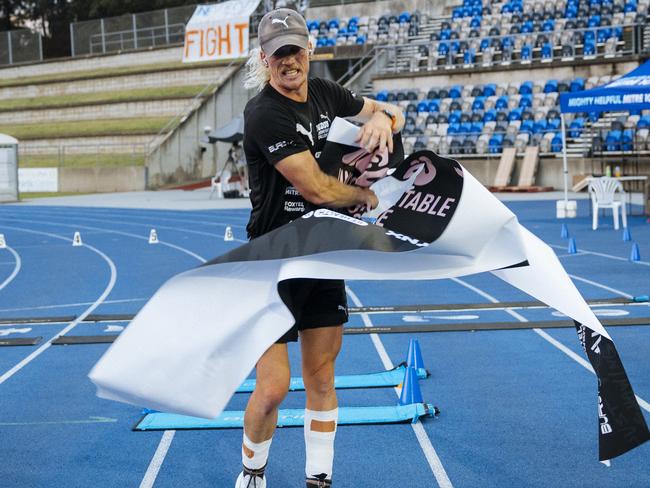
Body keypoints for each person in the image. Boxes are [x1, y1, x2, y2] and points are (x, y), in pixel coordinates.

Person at [237, 8, 404, 488]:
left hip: (325, 255)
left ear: (309, 50)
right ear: (266, 60)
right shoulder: (264, 112)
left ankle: (319, 478)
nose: (289, 61)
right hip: (273, 260)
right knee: (272, 389)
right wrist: (367, 198)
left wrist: (384, 122)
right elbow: (315, 188)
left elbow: (394, 111)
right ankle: (252, 473)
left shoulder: (328, 93)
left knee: (322, 378)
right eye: (278, 54)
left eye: (295, 49)